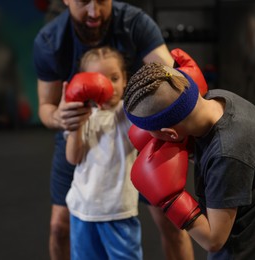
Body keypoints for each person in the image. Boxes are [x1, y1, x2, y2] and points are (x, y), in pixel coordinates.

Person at [33, 1, 193, 259]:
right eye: (84, 1)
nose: (94, 12)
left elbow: (172, 82)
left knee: (173, 224)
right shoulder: (51, 41)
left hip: (137, 129)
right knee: (59, 227)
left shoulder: (135, 24)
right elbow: (45, 107)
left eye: (101, 1)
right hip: (81, 125)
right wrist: (61, 117)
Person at [123, 62, 255, 259]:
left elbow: (213, 240)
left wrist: (172, 201)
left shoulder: (227, 155)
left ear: (170, 133)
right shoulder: (219, 99)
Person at [64, 46, 142, 259]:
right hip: (83, 209)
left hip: (119, 211)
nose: (108, 86)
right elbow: (73, 158)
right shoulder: (83, 116)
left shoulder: (129, 113)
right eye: (99, 79)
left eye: (114, 78)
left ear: (125, 79)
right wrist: (77, 125)